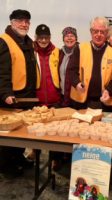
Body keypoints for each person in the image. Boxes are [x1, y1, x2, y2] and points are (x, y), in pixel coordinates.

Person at [0, 9, 38, 175]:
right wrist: (6, 93)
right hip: (12, 96)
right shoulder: (4, 41)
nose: (24, 24)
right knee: (9, 134)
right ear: (12, 22)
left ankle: (18, 159)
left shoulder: (27, 41)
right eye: (20, 21)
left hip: (26, 95)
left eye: (27, 21)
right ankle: (6, 166)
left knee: (21, 131)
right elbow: (2, 71)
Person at [27, 24, 61, 161]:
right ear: (35, 38)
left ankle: (55, 159)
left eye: (46, 37)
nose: (43, 40)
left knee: (55, 133)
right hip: (38, 99)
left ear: (50, 37)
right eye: (40, 37)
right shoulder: (30, 52)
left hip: (55, 98)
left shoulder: (57, 52)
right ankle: (35, 152)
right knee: (36, 130)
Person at [68, 16, 112, 111]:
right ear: (91, 32)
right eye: (95, 31)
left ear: (107, 33)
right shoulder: (80, 48)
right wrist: (77, 83)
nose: (98, 35)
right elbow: (71, 70)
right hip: (81, 101)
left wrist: (109, 90)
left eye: (102, 32)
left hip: (104, 102)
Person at [51, 27, 79, 171]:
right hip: (60, 97)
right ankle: (56, 158)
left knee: (72, 129)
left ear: (76, 38)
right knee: (58, 129)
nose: (69, 38)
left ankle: (70, 157)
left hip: (74, 98)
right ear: (63, 38)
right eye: (67, 36)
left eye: (72, 36)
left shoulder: (80, 53)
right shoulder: (58, 53)